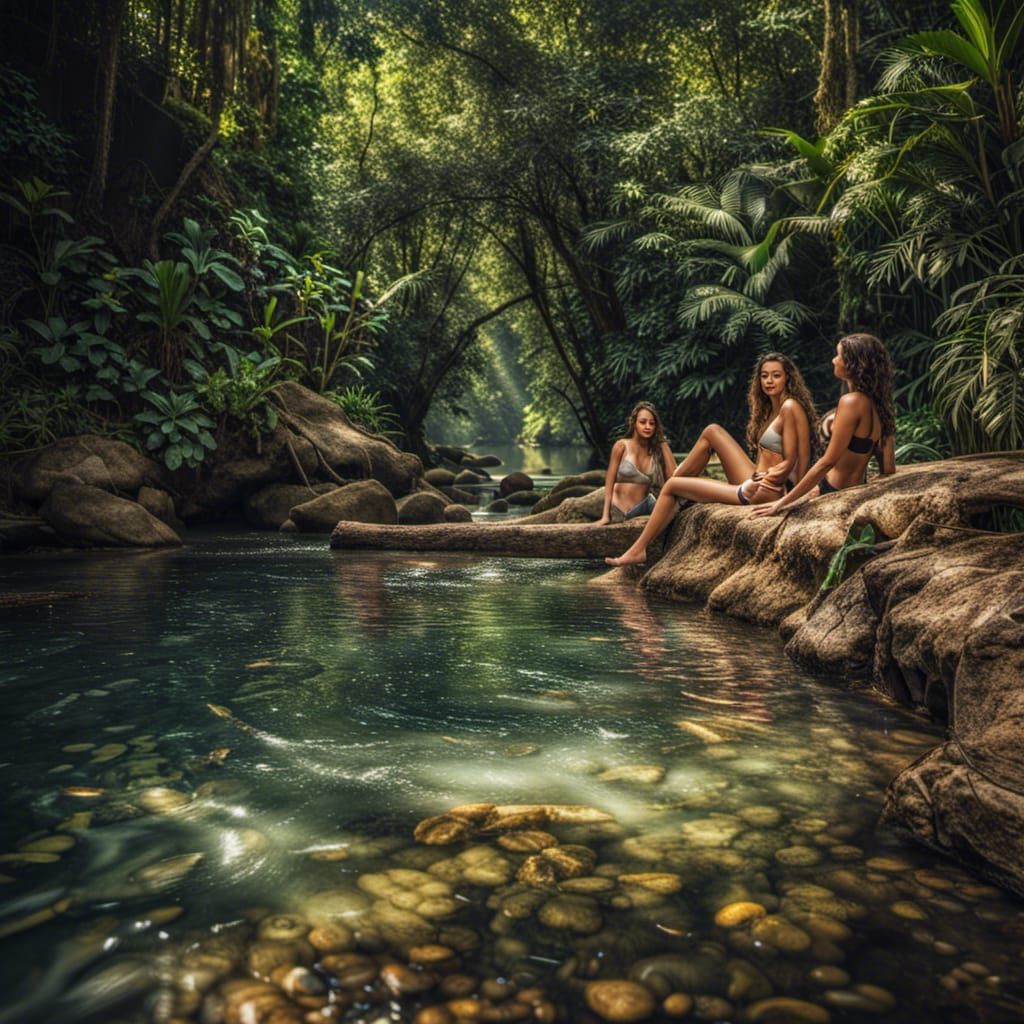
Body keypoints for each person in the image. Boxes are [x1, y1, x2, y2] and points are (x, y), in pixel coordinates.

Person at [604, 353, 815, 565]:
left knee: (672, 486)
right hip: (752, 479)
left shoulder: (790, 407)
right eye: (764, 376)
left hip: (763, 491)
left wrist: (787, 500)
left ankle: (638, 549)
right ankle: (680, 490)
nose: (769, 381)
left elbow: (801, 460)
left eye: (776, 375)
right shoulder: (769, 409)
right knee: (712, 431)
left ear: (788, 377)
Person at [753, 332, 896, 517]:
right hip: (854, 490)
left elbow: (827, 462)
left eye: (839, 355)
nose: (833, 360)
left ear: (853, 365)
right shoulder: (879, 406)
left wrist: (782, 503)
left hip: (830, 489)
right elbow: (888, 468)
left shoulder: (851, 402)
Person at [592, 402, 677, 525]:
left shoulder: (656, 451)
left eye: (652, 423)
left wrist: (663, 442)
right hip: (618, 508)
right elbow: (609, 481)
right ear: (634, 423)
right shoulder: (621, 445)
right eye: (642, 422)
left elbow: (673, 477)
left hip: (644, 508)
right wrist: (605, 516)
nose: (647, 426)